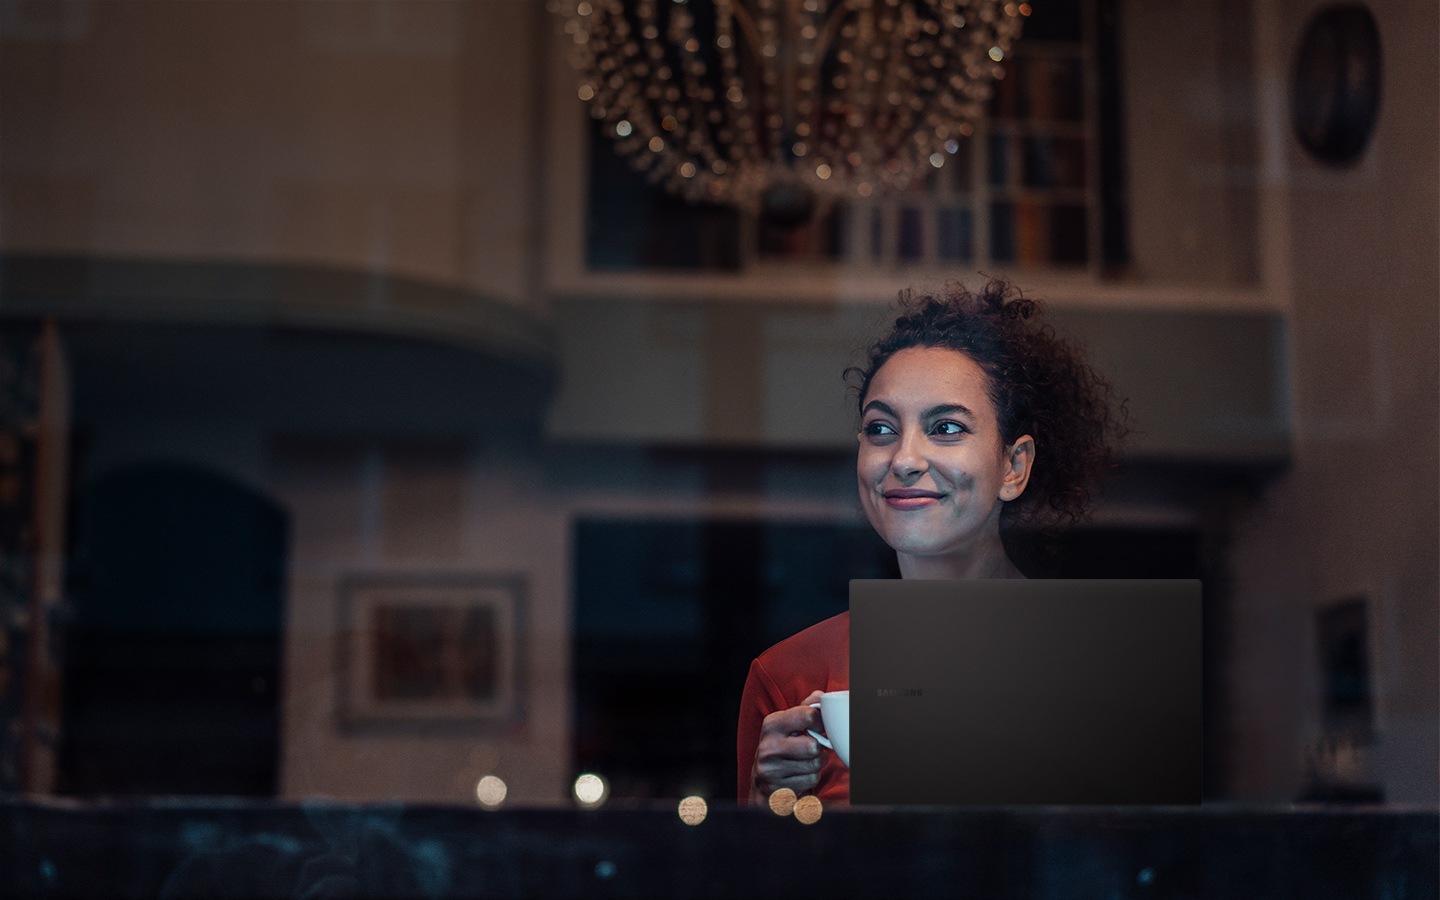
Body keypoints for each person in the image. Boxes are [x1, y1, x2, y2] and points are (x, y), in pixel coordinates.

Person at [736, 279, 1126, 804]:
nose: (903, 459)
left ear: (1014, 466)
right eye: (880, 429)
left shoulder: (1098, 659)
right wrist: (765, 810)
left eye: (945, 427)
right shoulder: (792, 676)